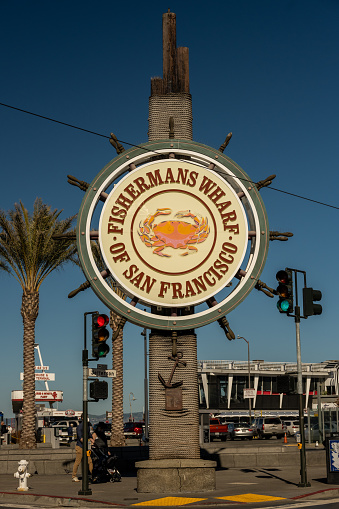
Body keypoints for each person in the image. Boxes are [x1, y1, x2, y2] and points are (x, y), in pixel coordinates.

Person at [72, 415, 94, 482]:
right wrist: (86, 440)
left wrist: (91, 439)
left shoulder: (87, 426)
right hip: (80, 447)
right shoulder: (80, 427)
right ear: (82, 418)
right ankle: (74, 476)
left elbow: (89, 434)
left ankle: (91, 475)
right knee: (78, 461)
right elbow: (80, 437)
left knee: (90, 461)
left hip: (86, 447)